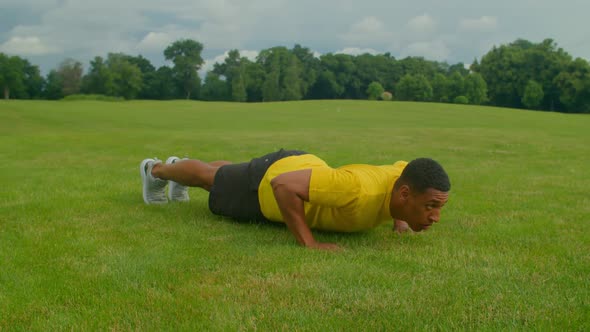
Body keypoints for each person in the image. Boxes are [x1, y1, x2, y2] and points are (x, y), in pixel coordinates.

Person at [140, 149, 450, 250]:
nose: (435, 217)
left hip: (301, 167)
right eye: (430, 207)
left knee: (224, 175)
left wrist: (402, 219)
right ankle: (156, 170)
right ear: (406, 195)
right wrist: (309, 243)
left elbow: (404, 171)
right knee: (212, 180)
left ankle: (177, 167)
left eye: (437, 207)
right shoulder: (357, 189)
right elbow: (284, 185)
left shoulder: (401, 182)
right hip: (271, 180)